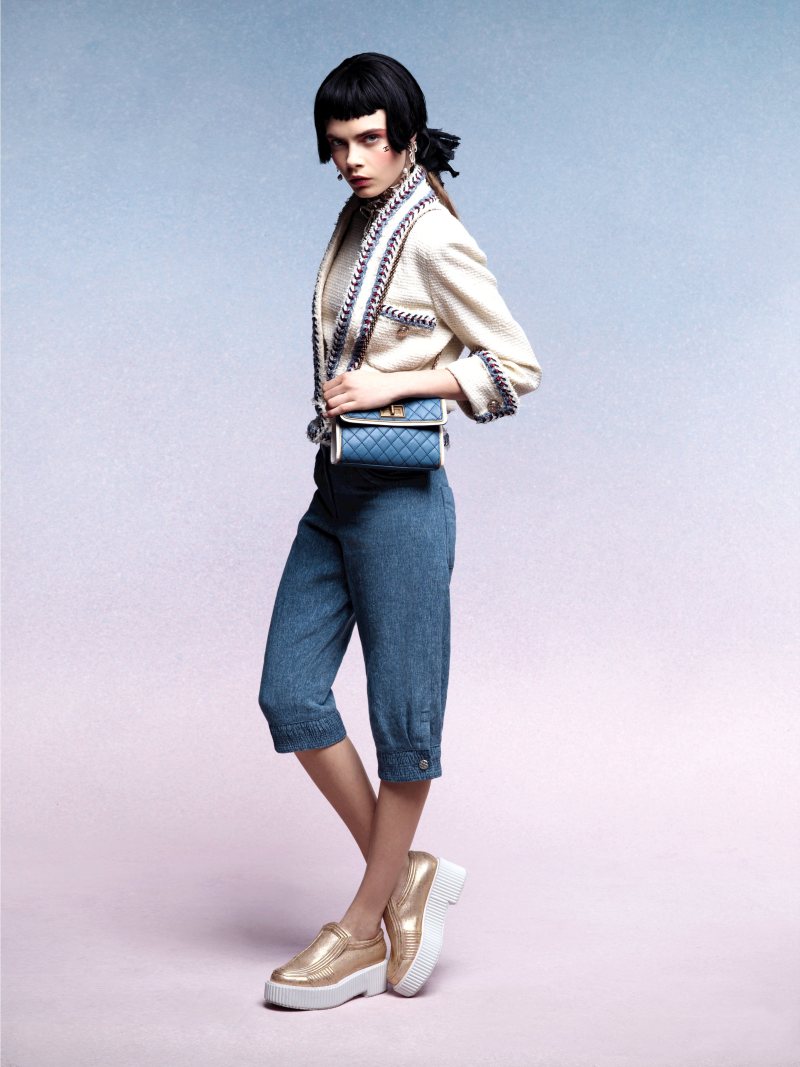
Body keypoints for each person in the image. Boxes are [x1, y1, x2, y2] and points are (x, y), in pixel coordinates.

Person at [258, 52, 542, 1011]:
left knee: (403, 725)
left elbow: (515, 366)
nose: (352, 158)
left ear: (407, 138)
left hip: (403, 504)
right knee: (290, 692)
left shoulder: (433, 235)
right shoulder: (357, 216)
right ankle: (408, 871)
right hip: (335, 492)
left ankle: (357, 929)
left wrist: (395, 382)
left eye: (370, 139)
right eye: (338, 143)